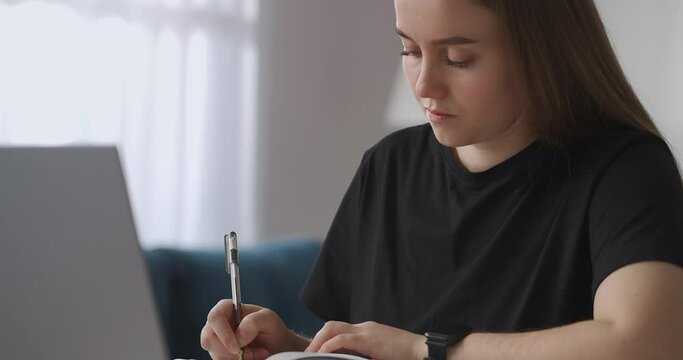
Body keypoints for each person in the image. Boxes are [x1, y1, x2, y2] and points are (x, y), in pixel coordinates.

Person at [201, 0, 683, 359]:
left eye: (457, 58)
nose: (424, 85)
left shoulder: (627, 170)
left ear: (545, 54)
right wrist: (294, 349)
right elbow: (378, 348)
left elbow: (644, 342)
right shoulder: (387, 166)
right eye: (409, 50)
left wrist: (429, 351)